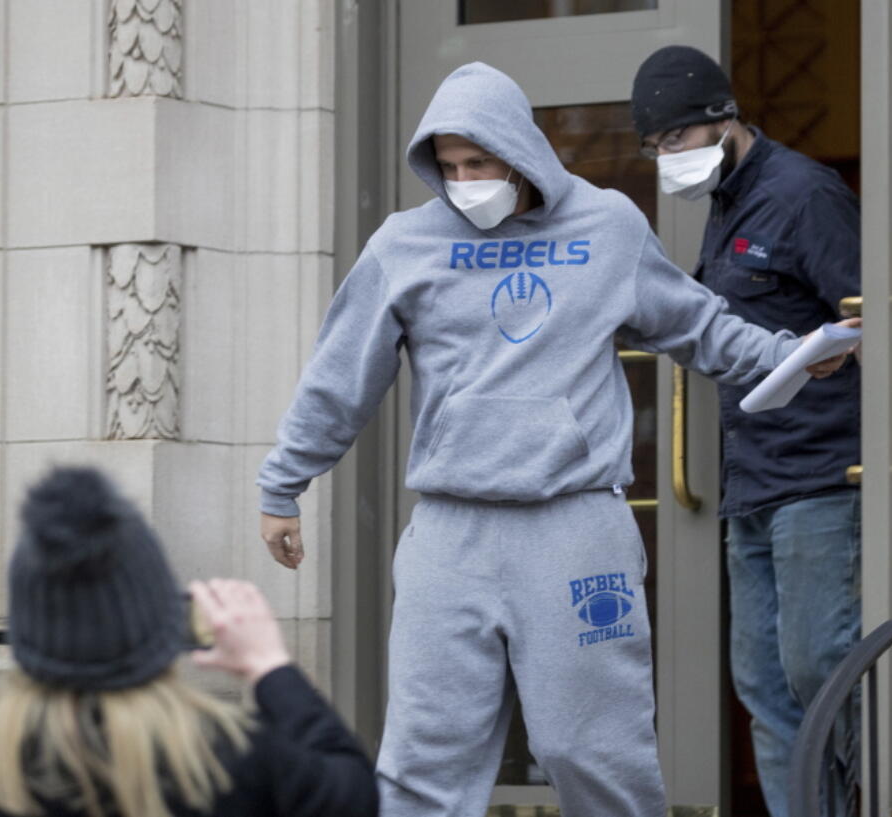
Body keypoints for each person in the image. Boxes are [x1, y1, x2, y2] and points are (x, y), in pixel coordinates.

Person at [256, 62, 851, 817]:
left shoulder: (605, 226)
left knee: (595, 752)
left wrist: (789, 354)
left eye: (479, 163)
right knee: (422, 761)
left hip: (575, 528)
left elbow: (698, 325)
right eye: (448, 167)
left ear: (520, 151)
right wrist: (283, 483)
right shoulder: (403, 244)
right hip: (450, 531)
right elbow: (339, 376)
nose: (464, 181)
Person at [631, 45, 863, 817]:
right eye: (654, 148)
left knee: (819, 666)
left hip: (820, 478)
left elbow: (868, 326)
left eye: (673, 143)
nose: (666, 161)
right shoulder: (725, 205)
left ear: (720, 121)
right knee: (765, 687)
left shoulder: (805, 194)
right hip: (750, 482)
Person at [0, 466, 378, 817]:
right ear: (158, 623)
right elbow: (354, 793)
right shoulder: (230, 765)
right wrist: (269, 666)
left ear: (30, 631)